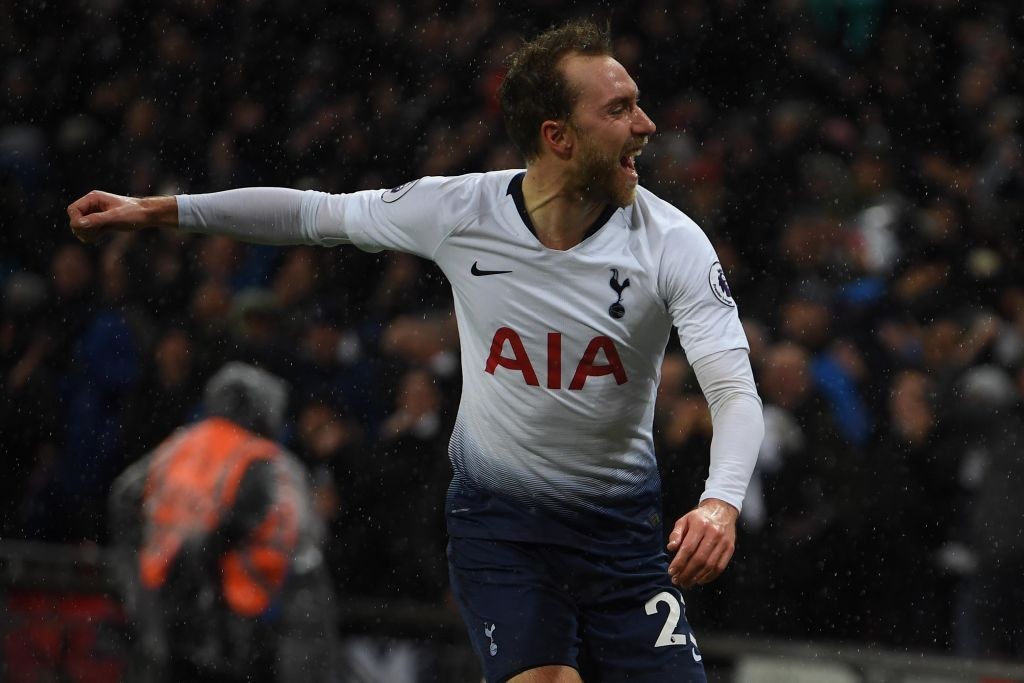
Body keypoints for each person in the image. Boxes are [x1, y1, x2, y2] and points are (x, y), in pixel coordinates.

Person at [73, 20, 764, 683]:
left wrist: (719, 504)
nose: (646, 126)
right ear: (557, 136)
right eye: (621, 110)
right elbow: (312, 215)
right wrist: (157, 208)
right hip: (503, 530)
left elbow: (732, 389)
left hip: (621, 538)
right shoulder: (461, 211)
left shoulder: (672, 242)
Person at [107, 362, 337, 682]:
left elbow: (123, 499)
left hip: (171, 606)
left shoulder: (178, 446)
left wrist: (138, 576)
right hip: (251, 618)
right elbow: (309, 541)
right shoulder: (267, 459)